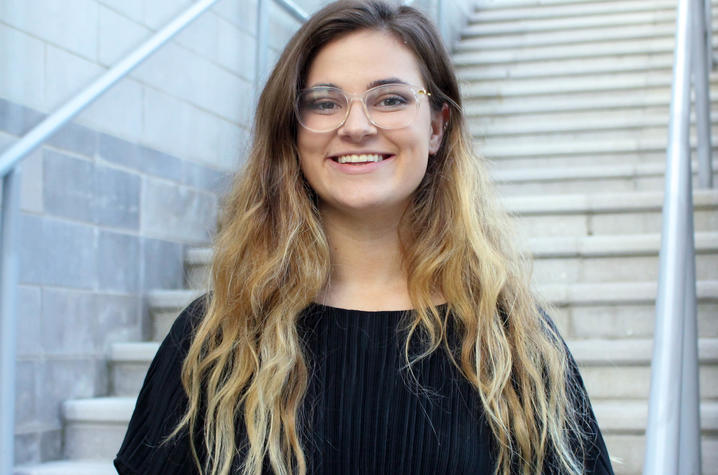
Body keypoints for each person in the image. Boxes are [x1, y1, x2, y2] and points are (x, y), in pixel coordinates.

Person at [115, 1, 614, 474]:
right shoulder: (215, 340)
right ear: (292, 130)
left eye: (391, 99)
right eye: (325, 103)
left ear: (437, 127)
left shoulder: (514, 344)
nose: (356, 126)